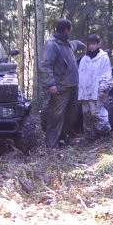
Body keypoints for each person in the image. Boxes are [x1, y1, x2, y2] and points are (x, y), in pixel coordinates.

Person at [40, 19, 79, 148]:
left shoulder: (66, 43)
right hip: (60, 87)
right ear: (67, 30)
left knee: (71, 114)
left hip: (72, 85)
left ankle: (63, 139)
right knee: (55, 116)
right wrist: (50, 84)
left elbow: (75, 44)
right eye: (70, 30)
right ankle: (52, 146)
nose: (71, 32)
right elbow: (45, 65)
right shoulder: (52, 45)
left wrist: (81, 44)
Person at [77, 34, 113, 142]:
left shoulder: (103, 58)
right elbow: (80, 75)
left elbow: (106, 74)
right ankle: (90, 136)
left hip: (97, 91)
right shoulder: (84, 59)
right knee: (86, 113)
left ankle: (105, 132)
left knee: (96, 113)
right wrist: (79, 92)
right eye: (90, 44)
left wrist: (103, 88)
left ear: (98, 44)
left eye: (94, 44)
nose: (91, 46)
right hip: (85, 92)